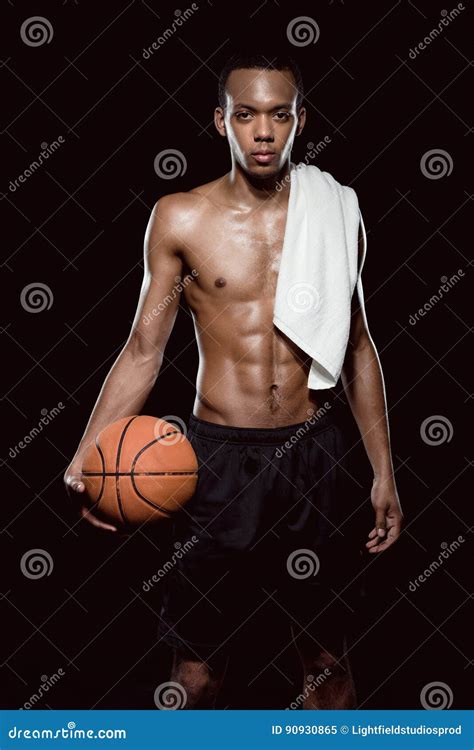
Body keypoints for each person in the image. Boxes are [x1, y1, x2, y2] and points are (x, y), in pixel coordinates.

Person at [64, 51, 403, 709]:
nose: (264, 132)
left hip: (315, 453)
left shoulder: (334, 210)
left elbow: (359, 346)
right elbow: (143, 349)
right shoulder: (181, 217)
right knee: (194, 675)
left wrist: (384, 471)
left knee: (329, 667)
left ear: (301, 121)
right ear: (221, 123)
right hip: (216, 461)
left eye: (280, 115)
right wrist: (88, 454)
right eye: (246, 115)